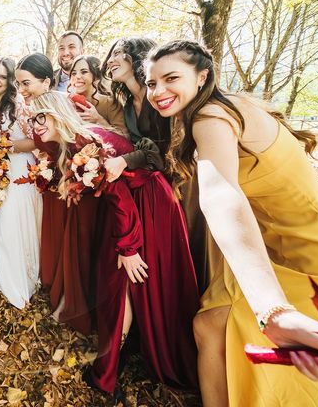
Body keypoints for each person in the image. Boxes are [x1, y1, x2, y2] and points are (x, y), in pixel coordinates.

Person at [144, 40, 318, 406]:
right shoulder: (219, 107)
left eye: (171, 78)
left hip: (313, 250)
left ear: (202, 76)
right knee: (210, 325)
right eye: (152, 83)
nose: (158, 91)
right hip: (274, 242)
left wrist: (272, 309)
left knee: (223, 327)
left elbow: (221, 196)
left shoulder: (211, 117)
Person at [31, 92, 199, 397]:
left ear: (56, 112)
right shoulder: (75, 142)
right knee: (119, 284)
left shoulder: (86, 143)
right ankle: (115, 360)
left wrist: (129, 247)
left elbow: (119, 194)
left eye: (40, 115)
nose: (36, 124)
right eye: (32, 118)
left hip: (145, 205)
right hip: (134, 206)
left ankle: (108, 372)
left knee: (120, 282)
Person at [102, 37, 217, 294]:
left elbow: (159, 150)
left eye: (118, 53)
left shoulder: (160, 98)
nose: (110, 60)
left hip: (181, 179)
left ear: (137, 58)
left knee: (190, 248)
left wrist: (126, 161)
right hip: (156, 187)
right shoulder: (129, 106)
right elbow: (138, 146)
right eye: (110, 54)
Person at [0, 58, 42, 309]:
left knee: (13, 219)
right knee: (2, 221)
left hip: (20, 169)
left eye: (3, 76)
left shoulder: (18, 107)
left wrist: (4, 146)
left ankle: (20, 280)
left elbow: (36, 140)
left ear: (10, 82)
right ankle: (1, 275)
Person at [14, 54, 67, 306]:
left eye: (26, 83)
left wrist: (5, 145)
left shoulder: (57, 104)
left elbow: (49, 140)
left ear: (46, 82)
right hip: (47, 176)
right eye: (19, 84)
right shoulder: (34, 106)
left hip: (64, 177)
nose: (22, 90)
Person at [68, 55, 127, 135]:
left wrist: (99, 120)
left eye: (84, 72)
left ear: (96, 77)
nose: (77, 76)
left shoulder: (110, 103)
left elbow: (125, 137)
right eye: (73, 73)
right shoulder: (66, 103)